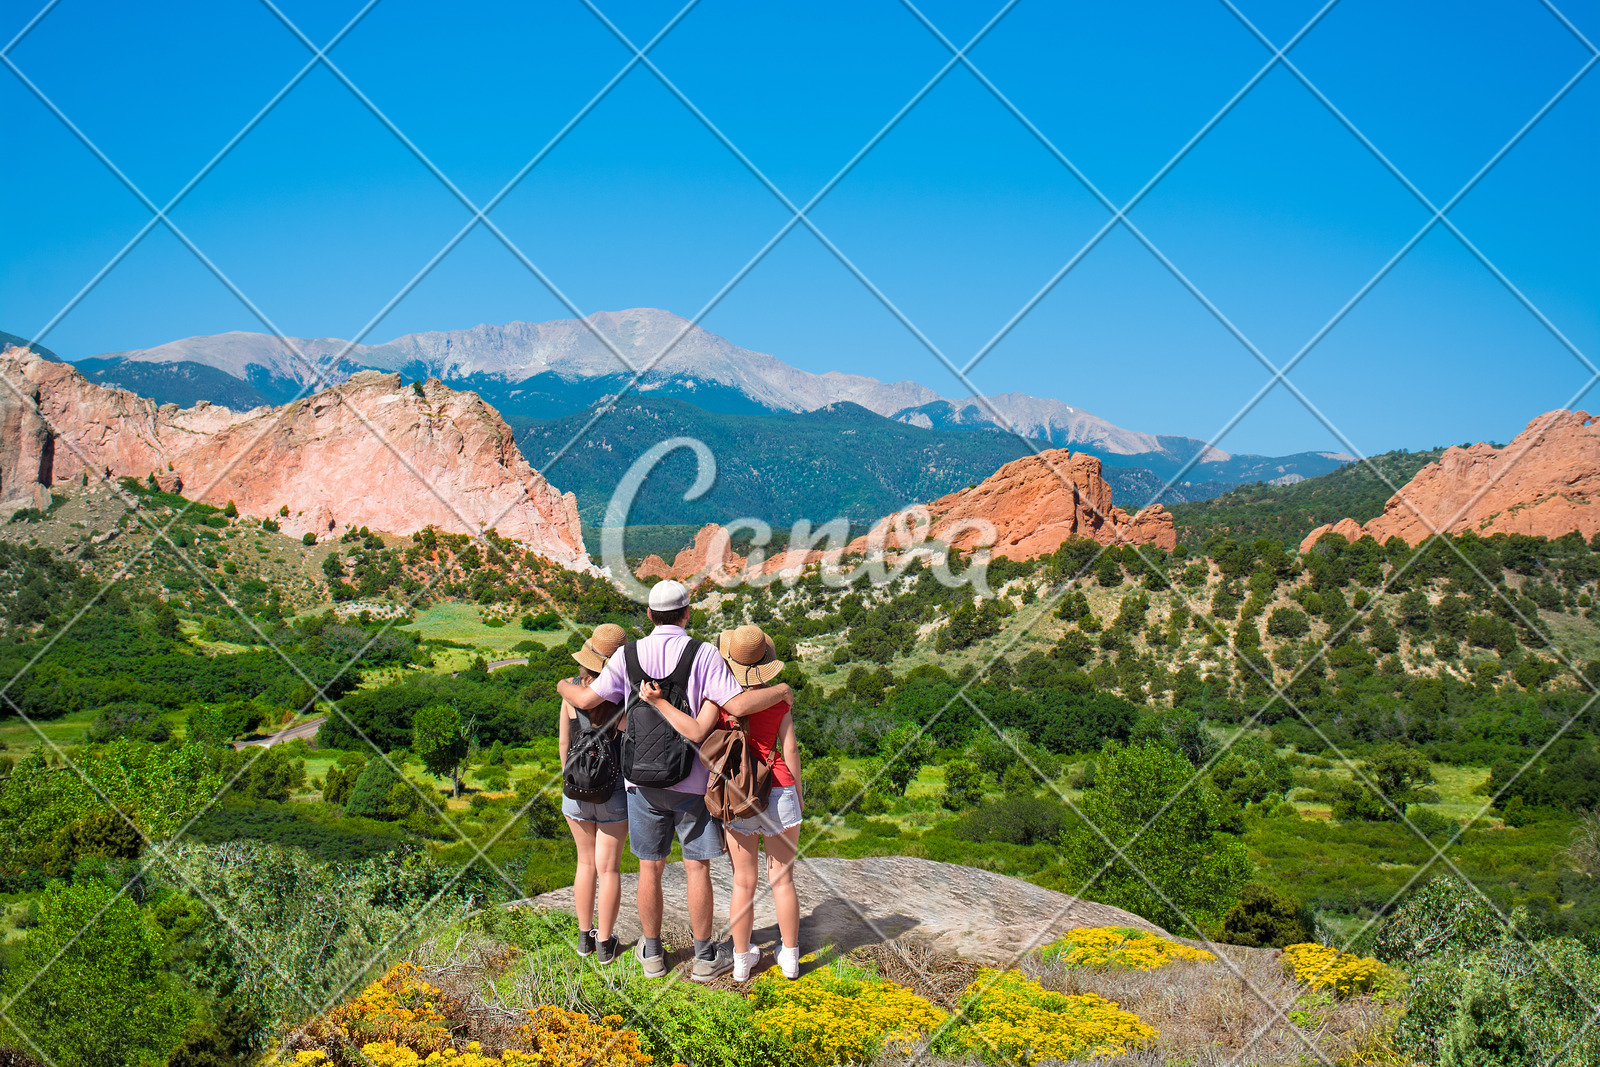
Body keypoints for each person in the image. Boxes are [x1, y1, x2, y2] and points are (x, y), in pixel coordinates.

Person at [556, 580, 791, 981]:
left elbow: (586, 701)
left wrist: (563, 685)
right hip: (693, 780)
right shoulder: (703, 654)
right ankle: (703, 957)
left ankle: (651, 954)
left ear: (648, 615)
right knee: (697, 868)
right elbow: (735, 704)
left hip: (640, 783)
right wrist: (783, 690)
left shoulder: (627, 655)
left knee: (650, 867)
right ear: (687, 613)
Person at [641, 624, 803, 981]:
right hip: (780, 787)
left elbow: (696, 731)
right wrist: (799, 796)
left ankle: (742, 960)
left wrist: (658, 702)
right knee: (783, 879)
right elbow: (788, 748)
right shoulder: (779, 698)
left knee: (743, 881)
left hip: (737, 793)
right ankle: (790, 957)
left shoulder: (719, 699)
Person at [558, 622, 629, 964]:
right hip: (614, 791)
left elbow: (563, 743)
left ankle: (584, 939)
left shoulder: (571, 691)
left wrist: (572, 781)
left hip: (575, 790)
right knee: (609, 869)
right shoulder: (624, 693)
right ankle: (605, 944)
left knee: (584, 864)